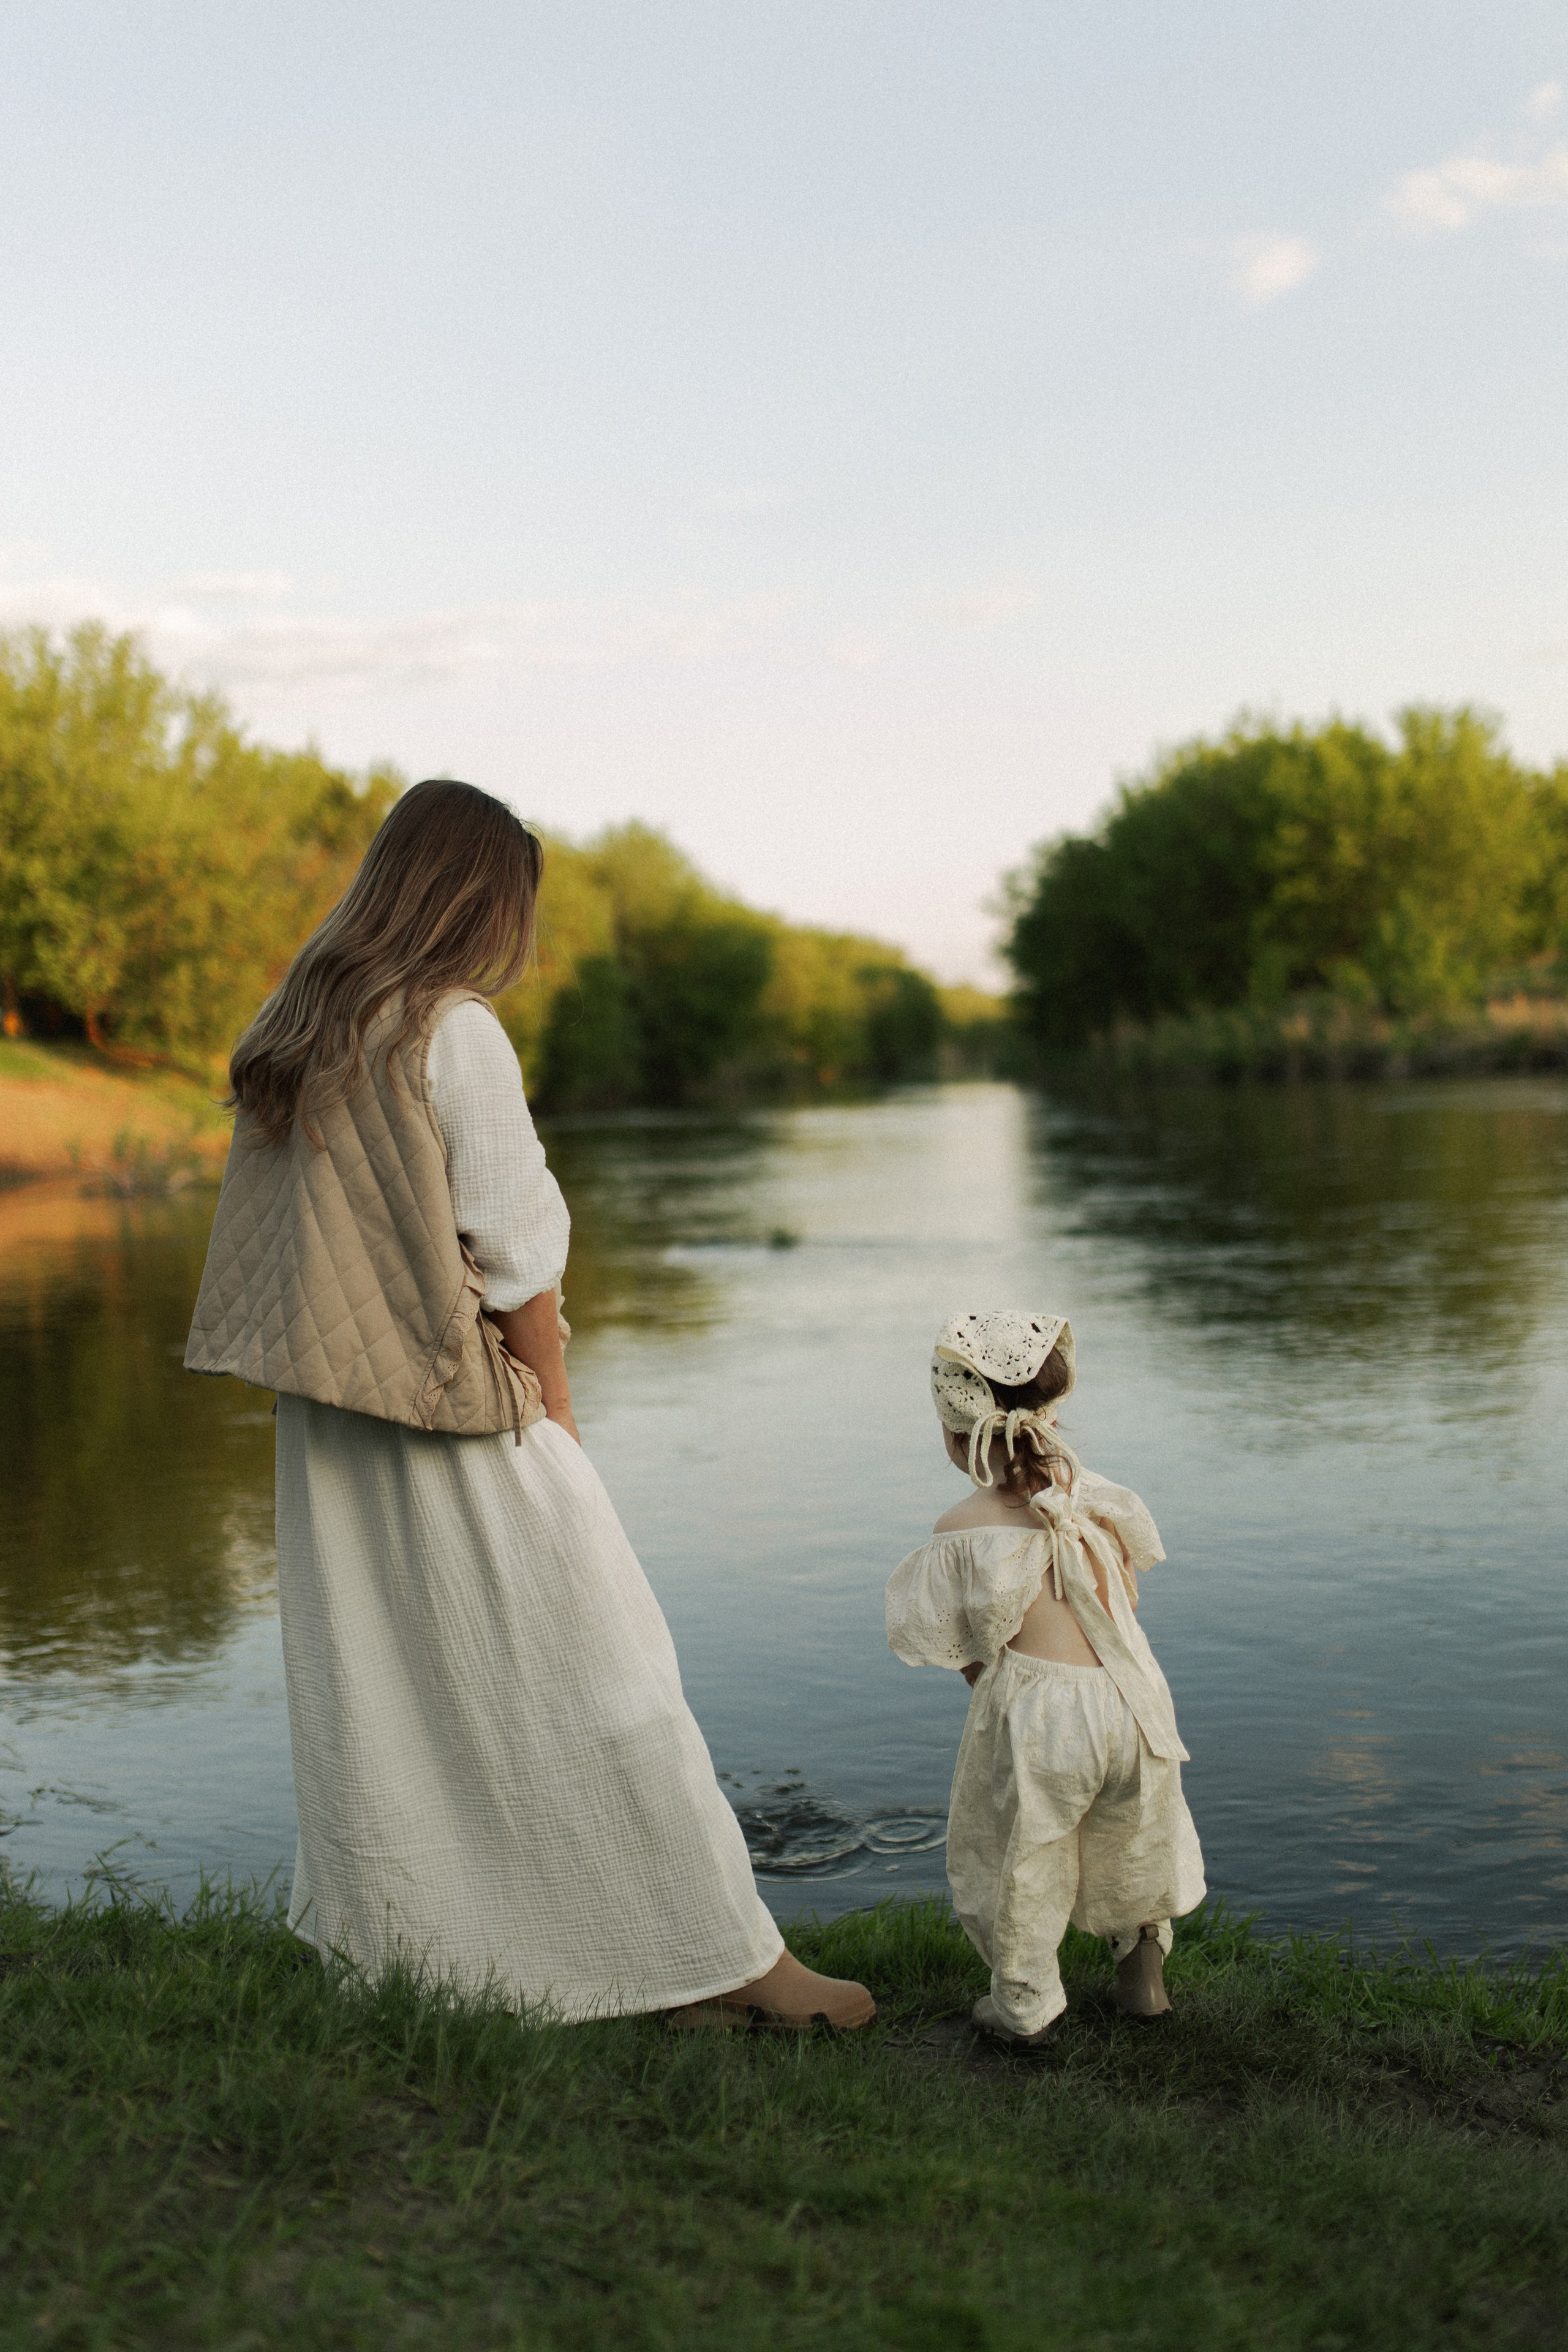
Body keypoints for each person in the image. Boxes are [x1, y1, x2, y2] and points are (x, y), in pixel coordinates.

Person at [186, 777, 873, 2032]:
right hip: (450, 1406)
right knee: (608, 1676)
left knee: (394, 1699)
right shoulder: (452, 1030)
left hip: (333, 1420)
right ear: (478, 900)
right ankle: (728, 1963)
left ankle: (451, 1957)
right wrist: (555, 1417)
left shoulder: (301, 1025)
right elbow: (513, 1251)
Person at [884, 1311, 1204, 2048]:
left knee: (1021, 1857)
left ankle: (1023, 2008)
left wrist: (999, 1701)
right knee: (1133, 1836)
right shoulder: (1099, 1495)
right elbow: (1123, 1599)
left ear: (955, 1434)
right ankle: (1143, 1982)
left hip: (1043, 1715)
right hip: (1134, 1702)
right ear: (1053, 1410)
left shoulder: (962, 1528)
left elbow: (965, 1647)